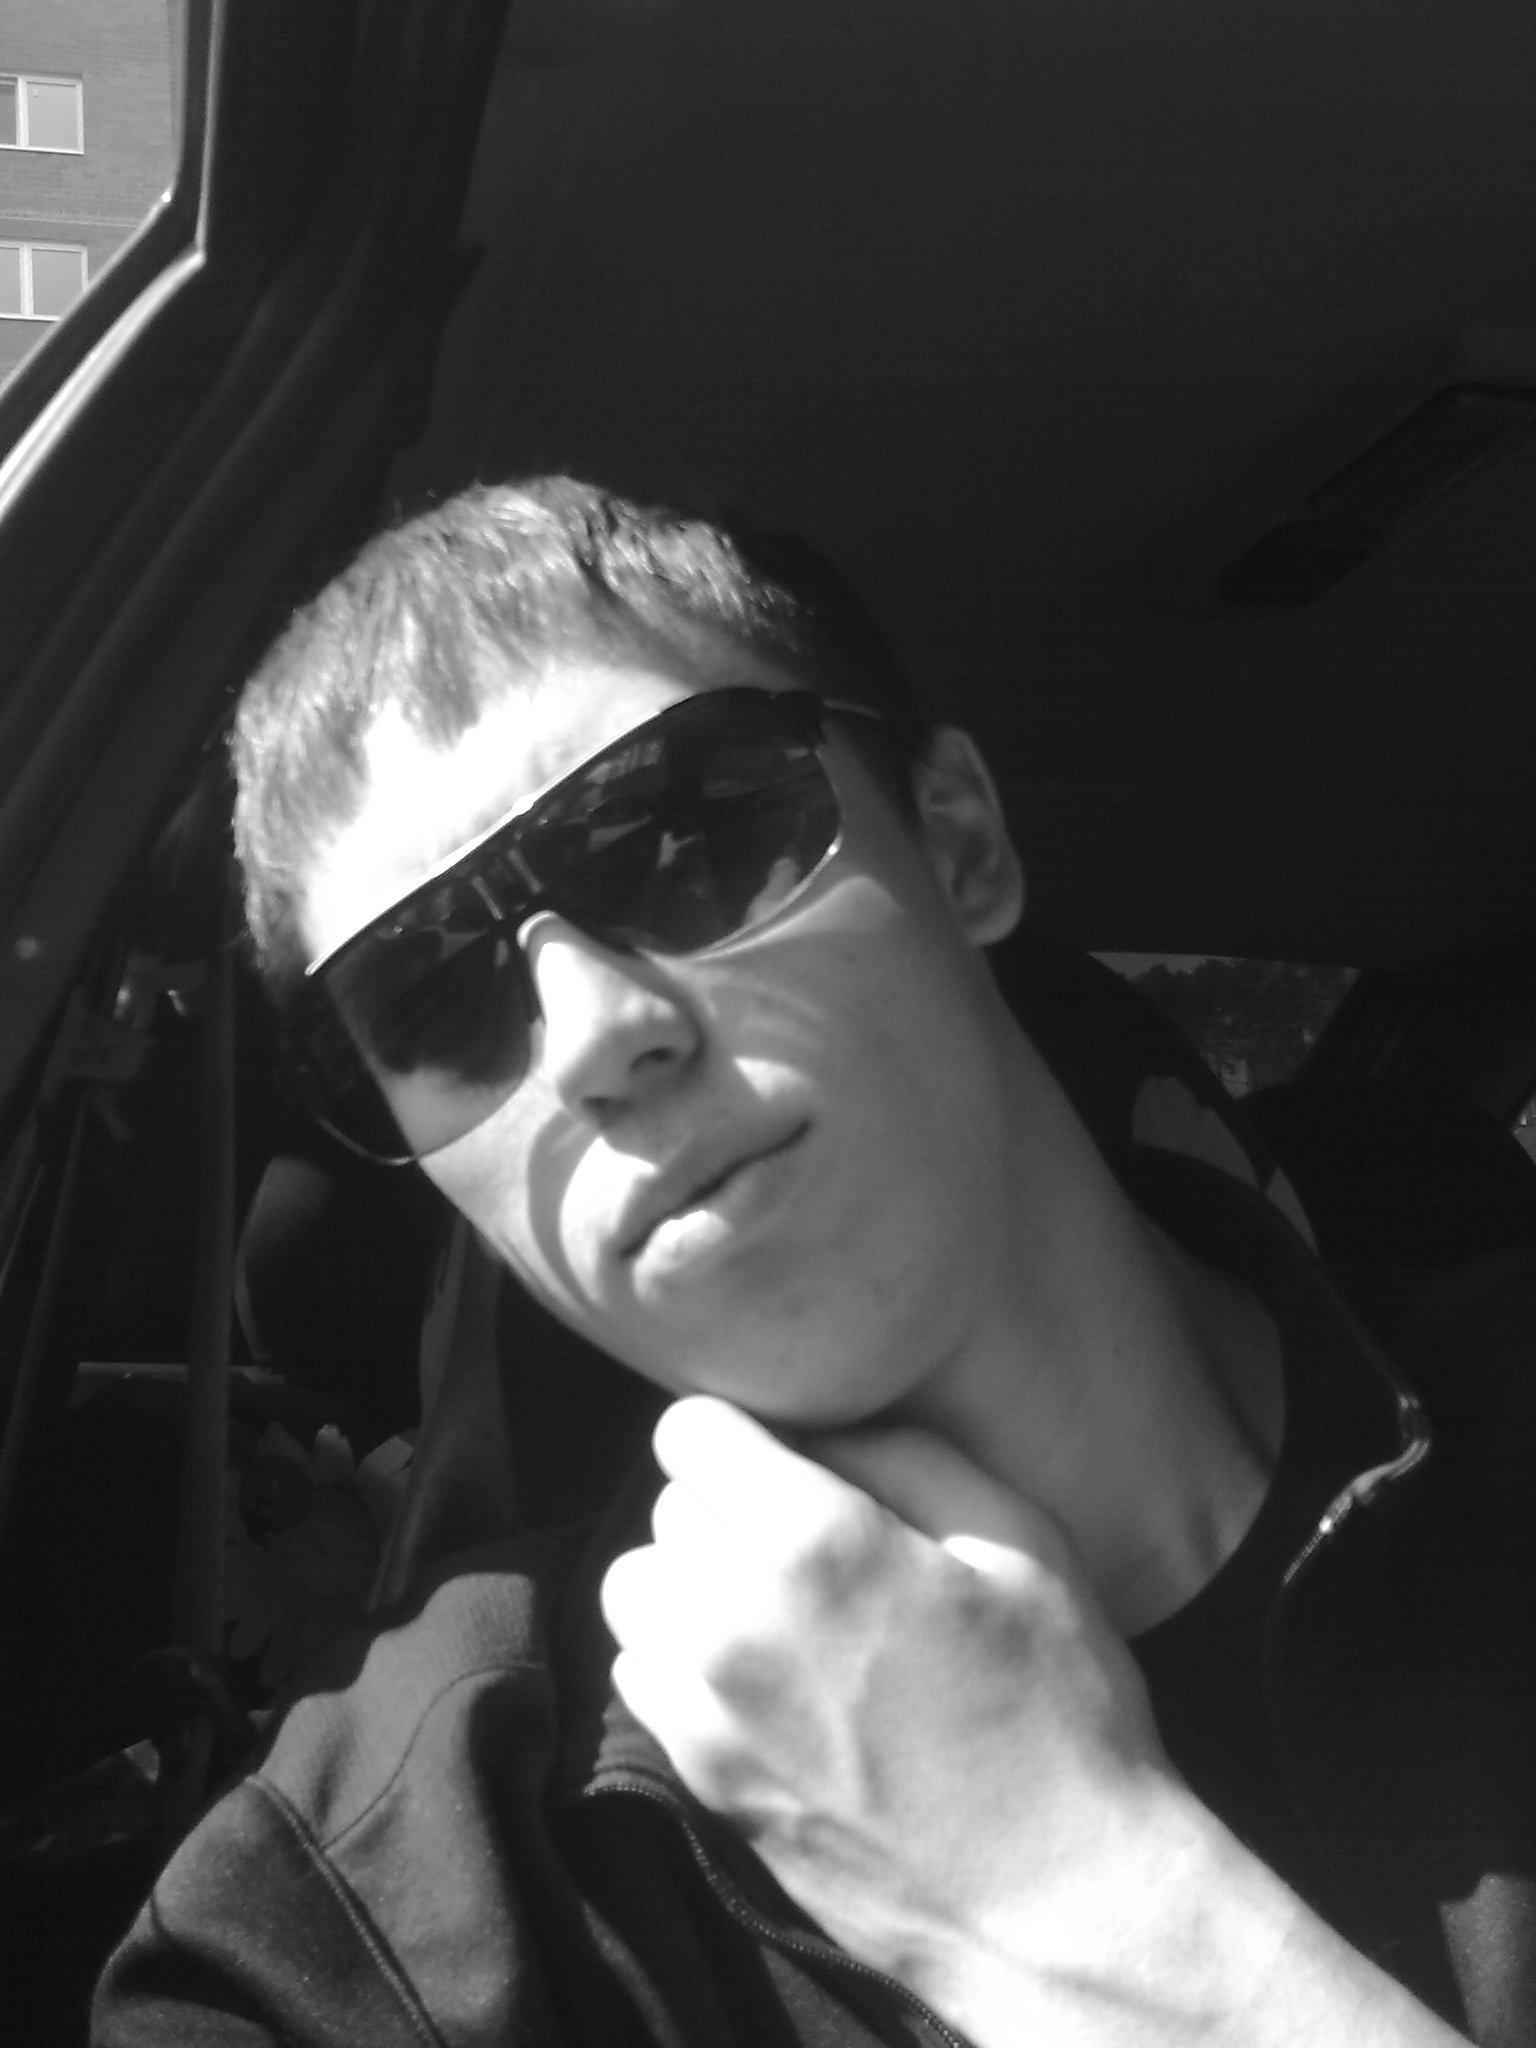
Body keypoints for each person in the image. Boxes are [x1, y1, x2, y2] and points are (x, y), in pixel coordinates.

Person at [93, 478, 1533, 2046]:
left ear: (957, 840)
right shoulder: (350, 1925)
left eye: (684, 839)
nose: (593, 1035)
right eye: (428, 1001)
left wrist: (1079, 1902)